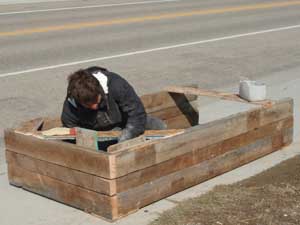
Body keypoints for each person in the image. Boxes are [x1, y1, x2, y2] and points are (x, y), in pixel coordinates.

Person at [61, 66, 165, 142]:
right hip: (99, 132)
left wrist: (126, 137)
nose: (94, 107)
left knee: (158, 126)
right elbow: (70, 127)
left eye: (96, 102)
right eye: (88, 106)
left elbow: (137, 114)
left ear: (99, 91)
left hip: (126, 121)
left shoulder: (116, 85)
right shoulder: (72, 101)